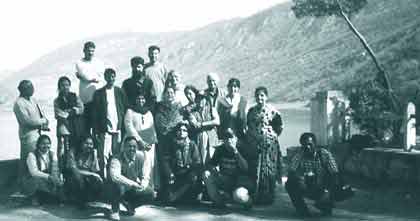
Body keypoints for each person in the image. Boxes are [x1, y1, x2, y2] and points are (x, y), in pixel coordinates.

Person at [286, 133, 340, 217]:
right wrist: (300, 180)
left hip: (324, 186)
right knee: (290, 184)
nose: (307, 147)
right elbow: (291, 171)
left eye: (310, 144)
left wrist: (328, 191)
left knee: (333, 182)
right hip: (309, 185)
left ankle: (326, 205)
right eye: (304, 145)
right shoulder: (300, 154)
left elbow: (335, 174)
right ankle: (303, 211)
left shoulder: (325, 154)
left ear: (315, 144)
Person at [246, 86, 284, 205]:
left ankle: (269, 196)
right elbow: (249, 127)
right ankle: (256, 195)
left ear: (266, 97)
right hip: (255, 144)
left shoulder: (273, 111)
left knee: (269, 170)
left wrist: (270, 137)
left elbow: (280, 127)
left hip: (269, 146)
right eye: (257, 95)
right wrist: (255, 137)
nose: (259, 97)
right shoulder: (251, 111)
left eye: (262, 95)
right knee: (255, 168)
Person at [203, 128, 253, 209]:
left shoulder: (243, 148)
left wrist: (235, 151)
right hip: (224, 180)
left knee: (239, 196)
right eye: (226, 137)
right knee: (206, 174)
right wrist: (214, 170)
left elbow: (245, 168)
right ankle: (219, 201)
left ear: (236, 138)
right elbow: (211, 165)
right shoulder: (220, 149)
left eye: (231, 137)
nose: (229, 140)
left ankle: (248, 200)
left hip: (240, 183)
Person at [92, 68, 128, 178]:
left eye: (113, 76)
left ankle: (115, 179)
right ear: (105, 77)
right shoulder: (98, 93)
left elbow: (125, 108)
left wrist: (124, 128)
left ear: (115, 77)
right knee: (103, 156)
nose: (111, 79)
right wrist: (96, 131)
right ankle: (104, 179)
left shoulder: (120, 91)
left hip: (118, 130)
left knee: (116, 156)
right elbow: (95, 114)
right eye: (108, 76)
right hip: (104, 130)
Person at [108, 136, 155, 220]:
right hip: (118, 188)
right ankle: (114, 210)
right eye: (129, 146)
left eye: (134, 146)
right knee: (116, 185)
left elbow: (145, 175)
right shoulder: (116, 159)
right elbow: (115, 177)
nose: (132, 149)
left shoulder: (141, 156)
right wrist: (133, 184)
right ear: (124, 147)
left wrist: (143, 185)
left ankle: (130, 205)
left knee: (150, 193)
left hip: (130, 189)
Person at [13, 80, 49, 188]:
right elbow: (27, 121)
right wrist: (42, 121)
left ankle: (36, 188)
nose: (32, 89)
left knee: (36, 163)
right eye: (29, 87)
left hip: (38, 135)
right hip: (28, 137)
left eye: (32, 87)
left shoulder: (33, 100)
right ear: (23, 89)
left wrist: (45, 121)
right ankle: (24, 189)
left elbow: (41, 115)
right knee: (28, 163)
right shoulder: (19, 103)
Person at [153, 86, 184, 201]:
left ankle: (175, 192)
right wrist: (169, 127)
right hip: (163, 140)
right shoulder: (159, 107)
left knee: (175, 163)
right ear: (164, 95)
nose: (170, 95)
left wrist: (172, 128)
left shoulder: (178, 106)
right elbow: (158, 122)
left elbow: (179, 121)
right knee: (164, 164)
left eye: (172, 93)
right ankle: (163, 192)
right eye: (167, 93)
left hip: (175, 140)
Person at [124, 93, 158, 191]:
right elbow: (129, 127)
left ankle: (149, 188)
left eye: (143, 99)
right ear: (135, 100)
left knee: (149, 163)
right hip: (135, 142)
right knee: (136, 162)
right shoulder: (130, 111)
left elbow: (152, 127)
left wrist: (152, 140)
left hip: (148, 143)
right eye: (138, 98)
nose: (141, 101)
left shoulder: (148, 112)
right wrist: (139, 141)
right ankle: (134, 188)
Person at [162, 122, 202, 204]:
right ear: (176, 132)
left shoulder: (192, 144)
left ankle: (176, 196)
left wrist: (193, 171)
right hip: (175, 174)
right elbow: (166, 161)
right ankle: (175, 196)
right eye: (179, 130)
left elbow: (197, 162)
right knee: (167, 194)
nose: (181, 132)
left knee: (193, 178)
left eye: (184, 130)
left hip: (188, 175)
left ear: (187, 133)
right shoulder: (171, 144)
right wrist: (169, 173)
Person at [22, 135, 64, 205]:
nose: (46, 146)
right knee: (37, 181)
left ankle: (46, 197)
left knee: (58, 184)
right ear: (38, 145)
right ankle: (34, 197)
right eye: (43, 144)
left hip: (48, 178)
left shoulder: (52, 154)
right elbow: (34, 172)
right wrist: (49, 177)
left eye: (48, 143)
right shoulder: (32, 155)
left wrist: (56, 178)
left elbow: (55, 168)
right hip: (33, 179)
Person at [54, 76, 84, 170]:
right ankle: (62, 169)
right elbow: (58, 114)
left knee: (74, 147)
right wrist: (70, 112)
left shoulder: (75, 96)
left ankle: (74, 168)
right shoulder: (57, 100)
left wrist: (73, 111)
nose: (65, 87)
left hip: (75, 126)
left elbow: (81, 108)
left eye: (67, 85)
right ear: (59, 87)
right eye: (63, 85)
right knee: (62, 149)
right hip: (63, 127)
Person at [75, 41, 105, 133]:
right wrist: (90, 79)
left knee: (97, 127)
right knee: (86, 127)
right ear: (84, 50)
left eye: (92, 51)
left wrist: (88, 78)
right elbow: (84, 75)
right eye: (88, 51)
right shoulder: (79, 63)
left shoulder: (99, 62)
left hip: (96, 99)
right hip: (85, 100)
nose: (90, 53)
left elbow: (100, 76)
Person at [65, 135, 103, 207]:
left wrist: (95, 177)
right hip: (73, 176)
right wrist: (92, 174)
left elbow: (95, 170)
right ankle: (75, 198)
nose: (89, 146)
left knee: (97, 181)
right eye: (86, 143)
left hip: (86, 177)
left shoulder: (93, 154)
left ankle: (89, 198)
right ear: (81, 143)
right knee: (78, 178)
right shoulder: (73, 152)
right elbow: (74, 170)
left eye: (91, 144)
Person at [188, 94, 220, 164]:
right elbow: (195, 125)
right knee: (202, 158)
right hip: (199, 138)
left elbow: (217, 121)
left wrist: (203, 124)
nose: (200, 101)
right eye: (198, 99)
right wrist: (210, 123)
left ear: (206, 100)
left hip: (212, 137)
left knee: (213, 157)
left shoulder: (212, 109)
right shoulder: (193, 113)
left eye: (202, 99)